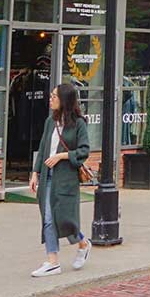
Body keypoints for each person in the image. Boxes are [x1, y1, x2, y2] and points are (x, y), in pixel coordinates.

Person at [30, 80, 92, 277]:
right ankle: (52, 261)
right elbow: (42, 149)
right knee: (48, 218)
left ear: (64, 100)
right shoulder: (50, 122)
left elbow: (83, 151)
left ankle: (83, 243)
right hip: (47, 177)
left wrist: (61, 156)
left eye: (54, 96)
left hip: (65, 179)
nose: (50, 99)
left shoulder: (79, 124)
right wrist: (34, 173)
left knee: (65, 218)